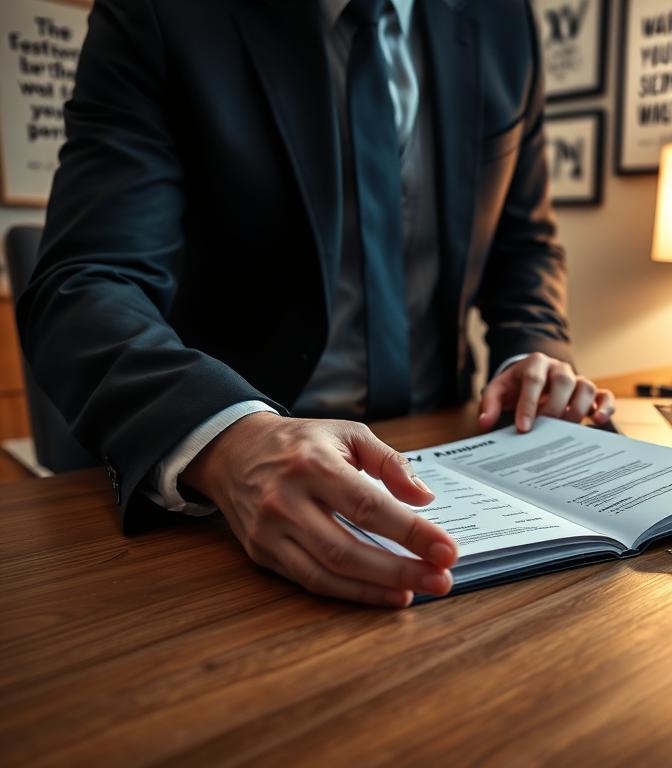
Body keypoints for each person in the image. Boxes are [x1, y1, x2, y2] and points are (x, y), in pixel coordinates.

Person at [17, 0, 615, 608]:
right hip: (249, 489)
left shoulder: (502, 18)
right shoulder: (161, 15)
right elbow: (85, 282)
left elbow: (525, 244)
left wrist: (530, 351)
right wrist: (229, 439)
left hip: (456, 455)